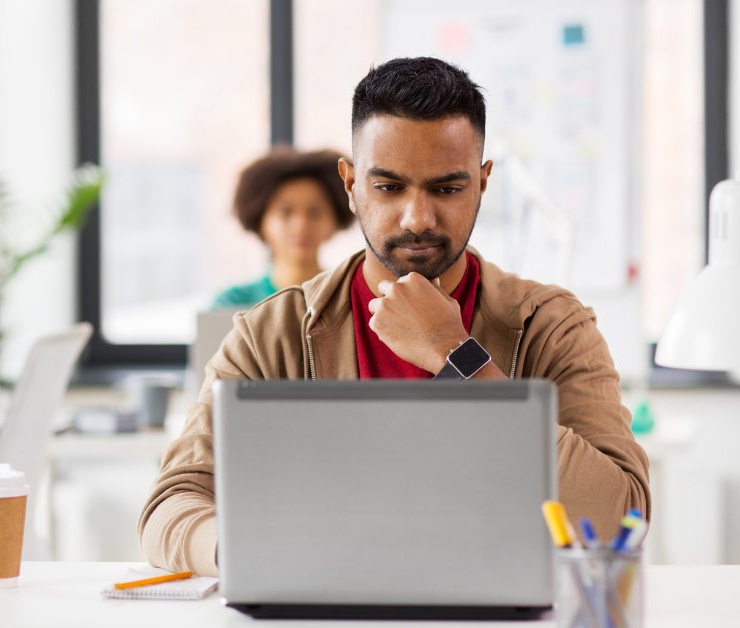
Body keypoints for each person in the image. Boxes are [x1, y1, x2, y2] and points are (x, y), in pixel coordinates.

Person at [139, 58, 650, 576]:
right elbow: (170, 507)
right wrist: (250, 552)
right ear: (351, 184)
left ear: (483, 182)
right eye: (388, 187)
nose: (418, 219)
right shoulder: (270, 333)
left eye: (447, 189)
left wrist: (457, 355)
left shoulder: (553, 324)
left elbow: (620, 517)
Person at [211, 148, 355, 310]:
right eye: (285, 212)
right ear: (261, 221)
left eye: (315, 212)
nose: (301, 225)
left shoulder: (353, 299)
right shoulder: (231, 304)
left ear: (335, 220)